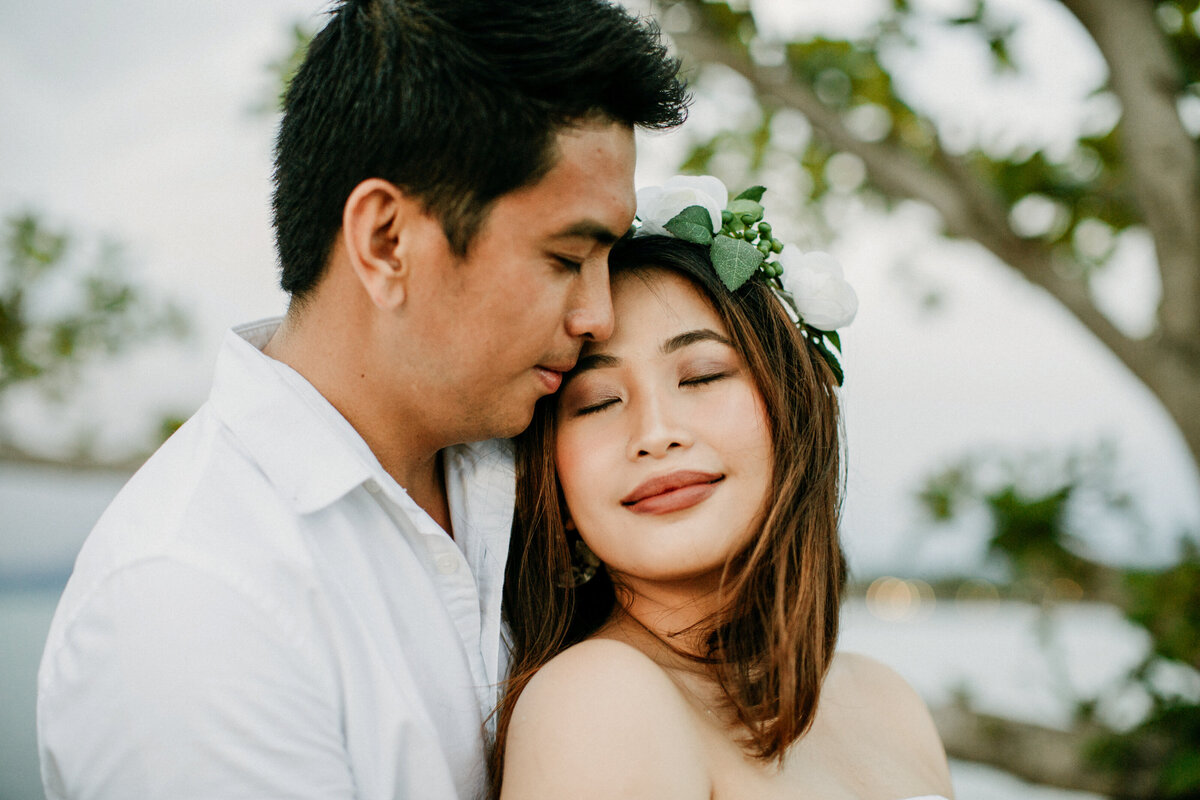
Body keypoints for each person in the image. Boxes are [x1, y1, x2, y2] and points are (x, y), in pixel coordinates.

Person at [37, 2, 686, 798]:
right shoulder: (191, 603)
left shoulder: (554, 458)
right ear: (386, 240)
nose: (598, 315)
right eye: (564, 257)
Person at [493, 178, 955, 799]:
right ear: (553, 477)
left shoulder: (883, 699)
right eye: (599, 401)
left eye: (703, 375)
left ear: (790, 409)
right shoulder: (600, 698)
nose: (655, 435)